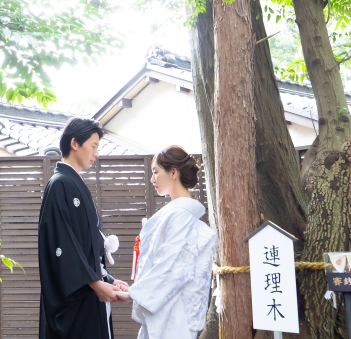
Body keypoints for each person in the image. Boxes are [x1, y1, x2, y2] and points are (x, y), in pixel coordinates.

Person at [37, 117, 129, 339]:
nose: (96, 153)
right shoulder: (59, 184)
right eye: (94, 146)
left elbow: (89, 247)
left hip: (89, 292)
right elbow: (62, 245)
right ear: (75, 143)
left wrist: (106, 279)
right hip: (75, 298)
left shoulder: (75, 184)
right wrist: (96, 284)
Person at [127, 146, 217, 339]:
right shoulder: (180, 213)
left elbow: (172, 266)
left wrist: (133, 294)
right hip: (169, 313)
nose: (152, 179)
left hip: (173, 317)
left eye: (155, 172)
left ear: (173, 172)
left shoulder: (180, 214)